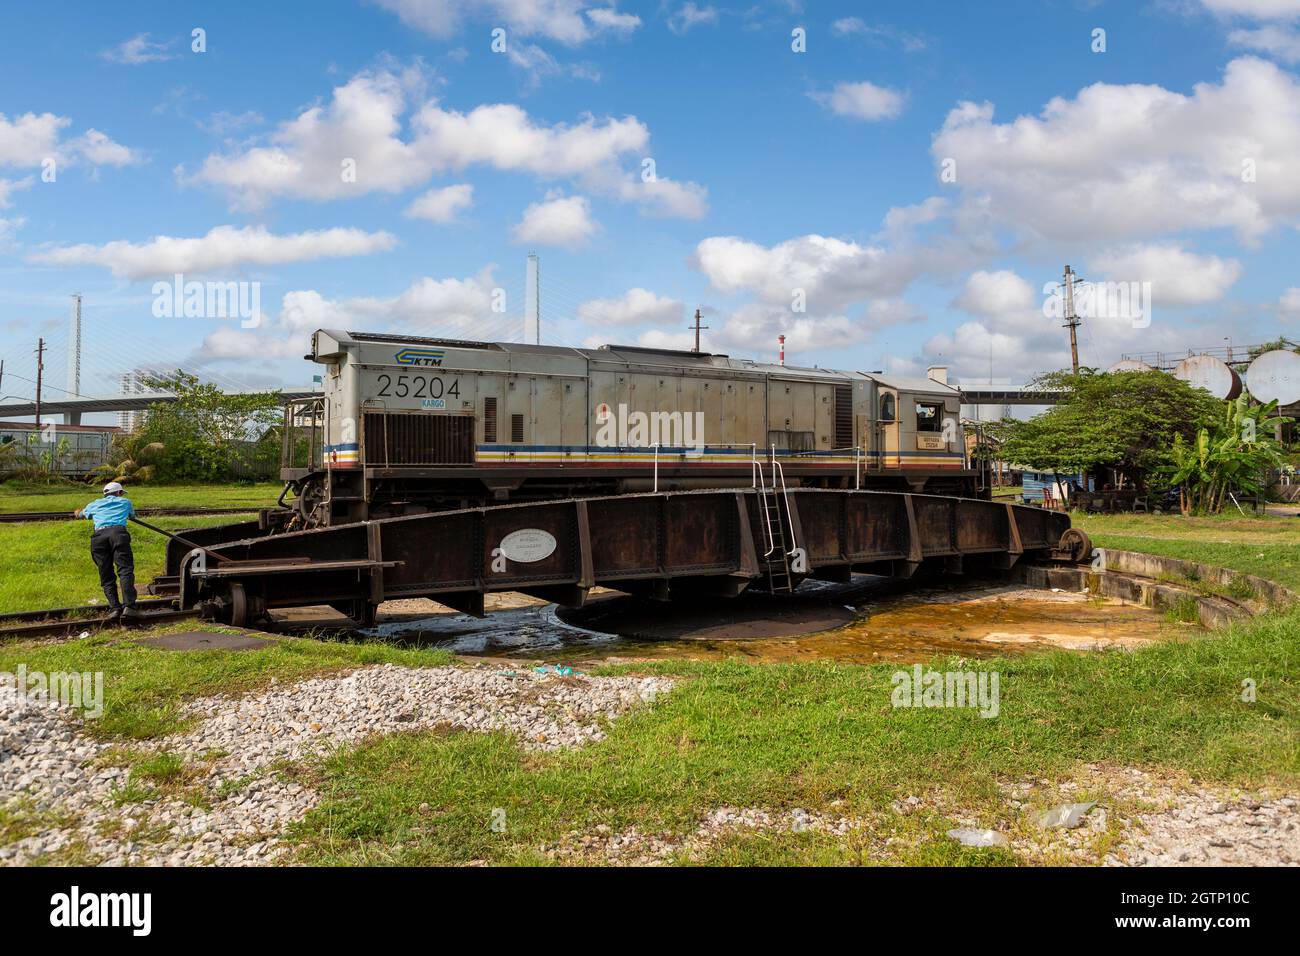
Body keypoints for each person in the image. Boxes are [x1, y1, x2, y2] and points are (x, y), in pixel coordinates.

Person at [75, 481, 138, 621]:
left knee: (106, 572)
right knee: (125, 570)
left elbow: (81, 515)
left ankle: (115, 608)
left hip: (99, 538)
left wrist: (78, 512)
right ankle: (129, 607)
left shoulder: (94, 504)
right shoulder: (125, 502)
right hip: (118, 534)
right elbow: (133, 516)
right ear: (119, 493)